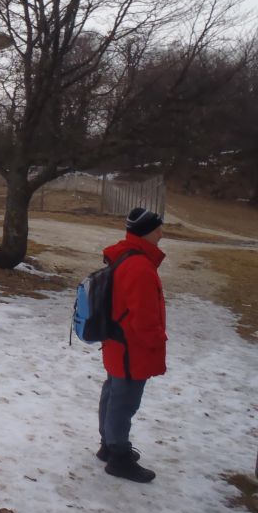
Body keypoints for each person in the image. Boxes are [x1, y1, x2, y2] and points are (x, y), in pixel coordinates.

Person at [97, 206, 167, 483]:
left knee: (113, 393)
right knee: (124, 402)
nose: (162, 233)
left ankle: (108, 445)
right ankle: (118, 456)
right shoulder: (140, 267)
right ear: (147, 232)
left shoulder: (126, 256)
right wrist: (157, 341)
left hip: (118, 342)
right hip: (131, 346)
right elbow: (145, 319)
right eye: (158, 228)